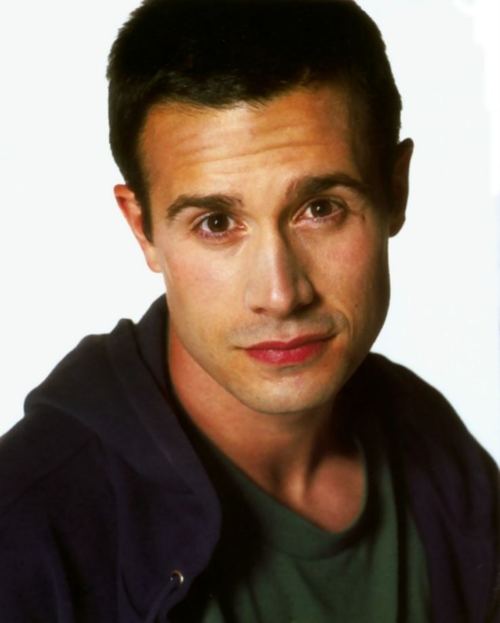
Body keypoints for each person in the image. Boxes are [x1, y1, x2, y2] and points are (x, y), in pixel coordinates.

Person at [0, 0, 498, 621]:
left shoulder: (442, 459)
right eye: (216, 222)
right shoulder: (24, 532)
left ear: (395, 190)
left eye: (321, 208)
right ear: (142, 228)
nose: (281, 293)